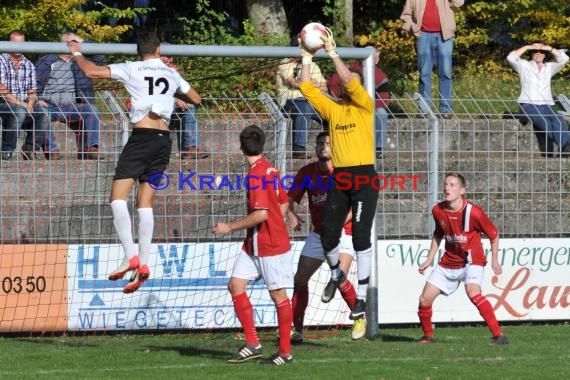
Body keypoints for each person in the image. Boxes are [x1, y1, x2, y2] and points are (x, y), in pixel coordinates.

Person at [68, 31, 201, 293]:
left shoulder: (131, 68)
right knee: (145, 203)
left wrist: (76, 52)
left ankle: (131, 256)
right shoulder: (170, 72)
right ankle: (144, 263)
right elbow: (196, 98)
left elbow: (92, 72)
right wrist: (173, 85)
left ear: (138, 51)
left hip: (142, 138)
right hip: (164, 141)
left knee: (118, 198)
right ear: (159, 49)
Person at [299, 29, 379, 323]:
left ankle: (361, 298)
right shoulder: (333, 110)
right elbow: (306, 87)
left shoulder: (364, 106)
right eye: (349, 83)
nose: (350, 84)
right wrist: (307, 56)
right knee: (329, 235)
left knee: (359, 238)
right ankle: (340, 279)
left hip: (364, 178)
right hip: (341, 177)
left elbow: (347, 79)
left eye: (354, 82)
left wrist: (332, 52)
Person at [212, 125, 293, 365]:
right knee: (236, 285)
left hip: (270, 246)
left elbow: (261, 215)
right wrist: (277, 222)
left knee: (278, 296)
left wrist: (229, 227)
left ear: (240, 146)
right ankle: (253, 343)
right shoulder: (270, 168)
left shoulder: (257, 174)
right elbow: (283, 202)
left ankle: (285, 353)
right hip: (254, 244)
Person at [287, 131, 364, 341]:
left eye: (328, 143)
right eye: (320, 143)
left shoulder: (344, 172)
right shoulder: (306, 172)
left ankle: (359, 319)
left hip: (343, 233)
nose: (323, 146)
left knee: (340, 279)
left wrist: (339, 222)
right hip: (319, 234)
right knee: (300, 279)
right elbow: (290, 198)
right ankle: (298, 330)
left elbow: (358, 205)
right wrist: (291, 213)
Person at [417, 172, 508, 345]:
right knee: (424, 299)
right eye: (445, 184)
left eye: (452, 185)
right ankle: (428, 336)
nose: (447, 188)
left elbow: (494, 235)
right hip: (448, 262)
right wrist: (429, 259)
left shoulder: (474, 213)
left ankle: (499, 335)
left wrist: (495, 259)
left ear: (462, 190)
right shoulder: (438, 210)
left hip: (471, 261)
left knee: (473, 293)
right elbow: (438, 234)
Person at [36, 32, 104, 160]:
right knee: (41, 113)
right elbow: (35, 82)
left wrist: (80, 41)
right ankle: (51, 151)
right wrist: (38, 99)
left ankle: (92, 148)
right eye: (69, 43)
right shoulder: (47, 60)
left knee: (92, 110)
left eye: (74, 42)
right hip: (50, 106)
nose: (71, 45)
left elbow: (100, 54)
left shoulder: (81, 60)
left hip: (72, 106)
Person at [400, 0, 464, 118]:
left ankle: (446, 110)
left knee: (445, 73)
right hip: (423, 35)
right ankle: (424, 110)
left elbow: (459, 3)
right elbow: (406, 14)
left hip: (445, 35)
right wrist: (412, 28)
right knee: (424, 73)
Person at [507, 42, 570, 157]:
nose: (538, 53)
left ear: (545, 55)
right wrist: (528, 46)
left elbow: (564, 59)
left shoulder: (549, 67)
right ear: (531, 54)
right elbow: (511, 58)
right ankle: (565, 148)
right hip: (528, 104)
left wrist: (548, 48)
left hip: (547, 105)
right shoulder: (524, 65)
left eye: (541, 52)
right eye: (535, 52)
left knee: (559, 122)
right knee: (545, 123)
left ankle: (565, 149)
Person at [328, 46, 390, 159]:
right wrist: (339, 99)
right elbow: (333, 83)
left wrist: (366, 107)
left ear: (377, 60)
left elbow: (384, 100)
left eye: (375, 57)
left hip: (369, 107)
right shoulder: (351, 68)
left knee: (382, 113)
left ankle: (378, 148)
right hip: (346, 104)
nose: (373, 59)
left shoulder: (381, 77)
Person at [0, 30, 48, 161]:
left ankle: (30, 149)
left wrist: (31, 103)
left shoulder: (29, 64)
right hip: (3, 103)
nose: (18, 46)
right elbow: (2, 90)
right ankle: (7, 150)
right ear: (7, 43)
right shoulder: (1, 60)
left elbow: (32, 91)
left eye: (21, 43)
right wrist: (23, 104)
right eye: (15, 43)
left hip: (22, 103)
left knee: (44, 112)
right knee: (19, 111)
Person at [276, 40, 328, 159]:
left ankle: (332, 147)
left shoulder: (312, 65)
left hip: (311, 101)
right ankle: (299, 148)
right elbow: (294, 82)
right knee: (304, 107)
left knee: (330, 112)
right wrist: (313, 83)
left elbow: (324, 86)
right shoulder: (285, 63)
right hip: (290, 102)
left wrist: (311, 83)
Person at [159, 55, 209, 159]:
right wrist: (176, 100)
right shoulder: (152, 70)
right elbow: (155, 93)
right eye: (161, 56)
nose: (164, 58)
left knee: (190, 106)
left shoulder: (174, 72)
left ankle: (190, 147)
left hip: (170, 105)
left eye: (167, 56)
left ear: (171, 58)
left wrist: (184, 100)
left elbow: (186, 92)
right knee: (187, 105)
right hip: (156, 106)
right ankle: (188, 147)